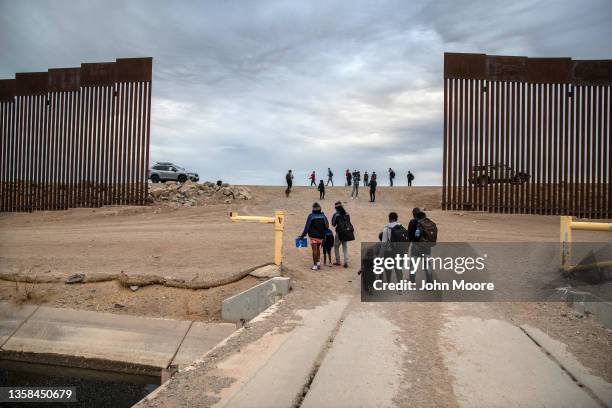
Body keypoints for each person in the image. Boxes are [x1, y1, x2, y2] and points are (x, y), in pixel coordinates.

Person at [299, 202, 329, 270]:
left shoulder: (311, 216)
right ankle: (318, 263)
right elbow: (327, 226)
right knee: (318, 249)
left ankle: (315, 265)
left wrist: (302, 235)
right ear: (320, 209)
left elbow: (307, 227)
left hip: (313, 236)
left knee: (314, 250)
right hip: (321, 236)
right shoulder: (323, 216)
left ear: (313, 209)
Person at [407, 207, 433, 284]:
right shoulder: (428, 222)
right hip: (426, 247)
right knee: (427, 265)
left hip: (416, 247)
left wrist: (407, 247)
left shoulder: (412, 222)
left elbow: (410, 236)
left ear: (413, 214)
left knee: (413, 264)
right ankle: (430, 282)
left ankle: (412, 280)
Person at [332, 201, 353, 268]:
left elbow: (333, 224)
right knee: (345, 247)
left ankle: (338, 261)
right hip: (346, 232)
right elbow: (348, 222)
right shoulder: (347, 214)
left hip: (339, 233)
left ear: (336, 208)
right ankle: (346, 262)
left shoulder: (336, 215)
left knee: (336, 246)